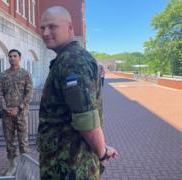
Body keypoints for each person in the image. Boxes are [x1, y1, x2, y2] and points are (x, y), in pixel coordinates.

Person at [37, 6, 119, 179]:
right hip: (65, 162)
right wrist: (102, 147)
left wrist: (102, 152)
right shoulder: (67, 58)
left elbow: (86, 119)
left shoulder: (73, 61)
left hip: (69, 168)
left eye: (52, 27)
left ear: (70, 28)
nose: (45, 32)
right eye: (42, 28)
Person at [0, 49, 33, 176]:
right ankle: (13, 165)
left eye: (15, 56)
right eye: (10, 56)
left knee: (23, 141)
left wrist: (20, 107)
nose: (12, 58)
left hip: (21, 114)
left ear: (20, 58)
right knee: (9, 141)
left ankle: (26, 167)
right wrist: (5, 107)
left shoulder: (25, 74)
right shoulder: (3, 75)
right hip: (7, 115)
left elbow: (29, 93)